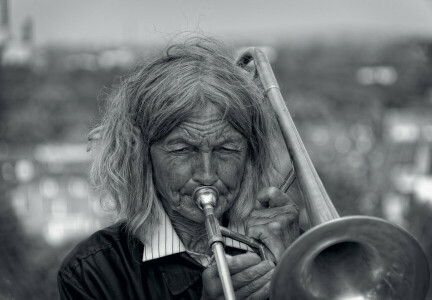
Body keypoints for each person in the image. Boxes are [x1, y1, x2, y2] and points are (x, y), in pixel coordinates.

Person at [58, 36, 301, 300]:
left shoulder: (290, 244)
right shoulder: (92, 273)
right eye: (183, 150)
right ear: (141, 158)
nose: (207, 175)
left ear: (250, 155)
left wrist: (296, 273)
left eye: (227, 149)